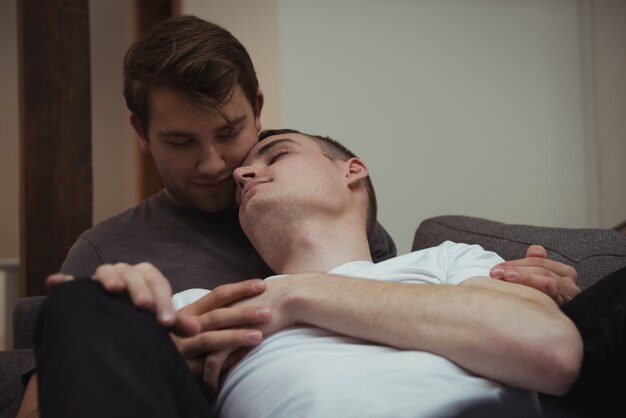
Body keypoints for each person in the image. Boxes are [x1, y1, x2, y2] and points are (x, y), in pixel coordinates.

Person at [17, 14, 582, 417]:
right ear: (141, 134)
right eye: (180, 141)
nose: (219, 165)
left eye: (232, 133)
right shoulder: (108, 254)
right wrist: (154, 355)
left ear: (257, 109)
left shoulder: (406, 250)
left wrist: (523, 288)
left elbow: (413, 310)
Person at [34, 129, 585, 418]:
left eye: (275, 155)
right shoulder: (205, 303)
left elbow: (550, 352)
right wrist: (134, 338)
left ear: (352, 170)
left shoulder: (448, 259)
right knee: (87, 302)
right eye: (247, 171)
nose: (245, 170)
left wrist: (300, 294)